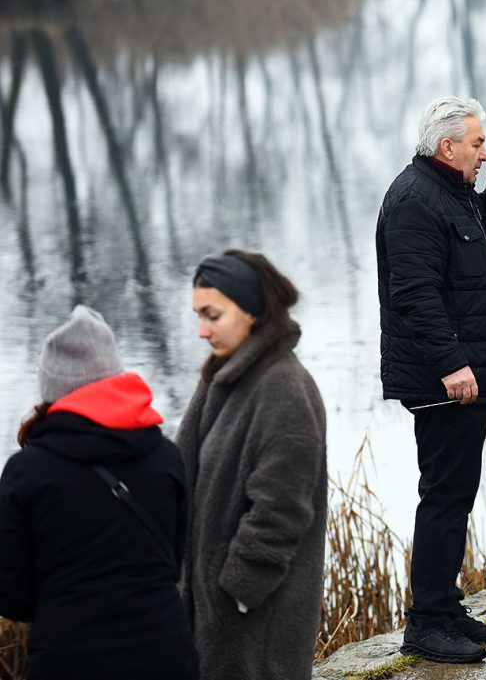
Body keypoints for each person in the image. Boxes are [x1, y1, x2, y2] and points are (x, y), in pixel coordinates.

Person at [375, 96, 486, 662]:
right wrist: (451, 365)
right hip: (443, 378)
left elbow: (478, 245)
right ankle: (426, 624)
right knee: (443, 494)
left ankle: (445, 607)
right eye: (478, 143)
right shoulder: (415, 198)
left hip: (462, 372)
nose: (485, 152)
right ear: (447, 146)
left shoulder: (449, 190)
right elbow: (414, 292)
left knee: (455, 492)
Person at [0, 307, 197, 680]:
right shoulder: (166, 457)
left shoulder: (26, 473)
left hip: (69, 660)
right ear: (114, 380)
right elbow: (172, 563)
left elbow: (12, 598)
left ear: (52, 391)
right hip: (167, 657)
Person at [177, 250, 326, 680]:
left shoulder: (283, 388)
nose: (202, 331)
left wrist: (237, 591)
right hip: (217, 614)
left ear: (253, 311)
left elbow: (281, 510)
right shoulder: (224, 377)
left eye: (213, 315)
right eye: (198, 316)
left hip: (253, 621)